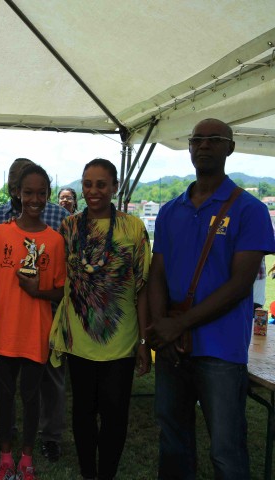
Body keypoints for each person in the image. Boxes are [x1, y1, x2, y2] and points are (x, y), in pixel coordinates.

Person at [146, 118, 275, 479]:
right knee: (173, 438)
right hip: (174, 346)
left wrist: (176, 326)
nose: (203, 145)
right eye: (197, 139)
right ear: (189, 147)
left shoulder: (249, 209)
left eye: (214, 139)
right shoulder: (171, 210)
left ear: (229, 148)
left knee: (225, 449)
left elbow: (240, 284)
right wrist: (161, 327)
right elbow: (157, 273)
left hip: (221, 349)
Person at [49, 158, 151, 480]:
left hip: (121, 342)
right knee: (82, 413)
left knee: (115, 416)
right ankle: (88, 474)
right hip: (80, 340)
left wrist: (143, 341)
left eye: (101, 184)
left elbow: (142, 288)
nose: (93, 191)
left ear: (115, 187)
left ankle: (106, 474)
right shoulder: (69, 227)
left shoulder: (133, 228)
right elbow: (59, 279)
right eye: (88, 184)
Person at [0, 158, 69, 462]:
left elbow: (61, 289)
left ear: (48, 194)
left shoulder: (55, 241)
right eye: (28, 192)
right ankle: (6, 457)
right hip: (3, 331)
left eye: (41, 193)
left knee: (31, 396)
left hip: (36, 332)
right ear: (17, 192)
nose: (35, 199)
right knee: (3, 395)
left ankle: (27, 458)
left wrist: (37, 291)